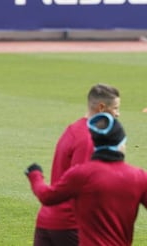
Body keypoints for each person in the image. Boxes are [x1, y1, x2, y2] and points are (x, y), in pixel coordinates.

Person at [25, 112, 147, 246]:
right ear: (121, 143)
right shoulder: (139, 177)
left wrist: (35, 175)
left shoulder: (80, 175)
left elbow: (47, 197)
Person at [31, 83, 120, 246]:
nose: (117, 114)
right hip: (70, 224)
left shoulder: (73, 129)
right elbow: (82, 185)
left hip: (47, 219)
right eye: (115, 108)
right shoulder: (88, 139)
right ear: (101, 108)